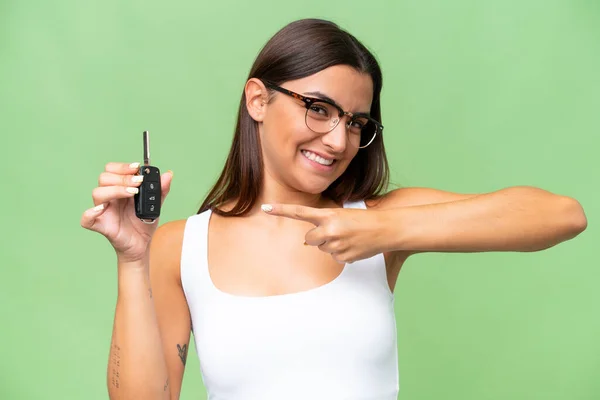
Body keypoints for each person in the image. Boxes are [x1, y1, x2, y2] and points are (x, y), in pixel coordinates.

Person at [80, 18, 587, 400]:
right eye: (318, 108)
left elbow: (561, 216)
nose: (338, 138)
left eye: (357, 122)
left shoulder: (380, 222)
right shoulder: (180, 247)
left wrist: (382, 227)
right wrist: (132, 259)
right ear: (258, 100)